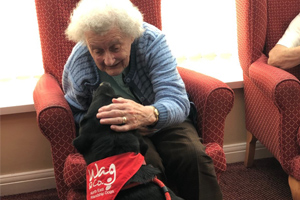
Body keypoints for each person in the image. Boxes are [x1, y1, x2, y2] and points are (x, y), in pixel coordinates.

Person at [63, 0, 222, 199]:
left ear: (132, 35)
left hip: (163, 119)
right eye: (98, 51)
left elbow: (177, 99)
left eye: (115, 48)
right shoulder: (79, 61)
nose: (109, 60)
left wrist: (150, 115)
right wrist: (108, 123)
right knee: (144, 166)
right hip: (117, 132)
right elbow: (76, 111)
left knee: (192, 156)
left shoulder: (152, 42)